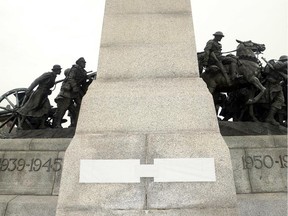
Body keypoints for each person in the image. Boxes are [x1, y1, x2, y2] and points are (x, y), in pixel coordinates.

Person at [17, 64, 62, 129]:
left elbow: (47, 85)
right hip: (39, 93)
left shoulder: (53, 76)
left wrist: (48, 90)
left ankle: (42, 125)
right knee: (30, 107)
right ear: (56, 70)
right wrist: (30, 89)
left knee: (46, 108)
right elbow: (37, 81)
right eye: (59, 69)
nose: (60, 71)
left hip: (44, 94)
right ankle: (20, 124)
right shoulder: (48, 74)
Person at [53, 57, 93, 128]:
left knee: (77, 109)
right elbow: (70, 78)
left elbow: (83, 83)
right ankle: (57, 124)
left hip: (74, 93)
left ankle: (74, 124)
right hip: (67, 93)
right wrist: (74, 86)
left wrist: (89, 80)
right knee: (62, 109)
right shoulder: (75, 69)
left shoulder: (82, 71)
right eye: (83, 62)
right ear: (79, 63)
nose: (85, 64)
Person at [262, 55, 287, 125]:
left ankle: (270, 117)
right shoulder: (279, 63)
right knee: (278, 100)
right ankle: (270, 118)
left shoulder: (283, 67)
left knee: (280, 100)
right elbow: (276, 67)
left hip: (277, 85)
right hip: (271, 84)